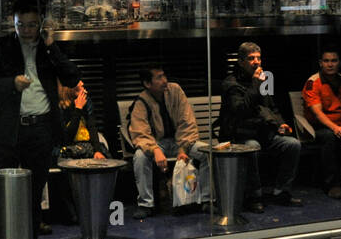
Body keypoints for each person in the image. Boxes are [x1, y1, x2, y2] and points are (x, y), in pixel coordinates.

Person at [0, 0, 79, 239]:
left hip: (40, 129)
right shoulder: (0, 47)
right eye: (21, 25)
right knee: (2, 188)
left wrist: (51, 46)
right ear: (13, 22)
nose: (26, 31)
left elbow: (72, 78)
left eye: (31, 25)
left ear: (40, 24)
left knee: (34, 191)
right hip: (9, 129)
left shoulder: (47, 50)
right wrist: (12, 84)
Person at [218, 42, 302, 210]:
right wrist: (256, 85)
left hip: (263, 132)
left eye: (258, 58)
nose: (256, 62)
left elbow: (271, 107)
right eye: (251, 58)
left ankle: (281, 191)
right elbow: (240, 111)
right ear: (241, 62)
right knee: (252, 147)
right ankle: (253, 196)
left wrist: (280, 123)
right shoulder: (231, 84)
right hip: (241, 135)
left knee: (293, 144)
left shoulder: (264, 80)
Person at [125, 66, 209, 218]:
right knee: (140, 157)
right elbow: (140, 132)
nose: (164, 81)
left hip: (181, 141)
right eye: (159, 78)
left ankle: (207, 199)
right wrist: (155, 149)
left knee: (207, 152)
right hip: (158, 144)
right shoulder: (141, 101)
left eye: (164, 76)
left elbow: (187, 121)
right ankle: (146, 204)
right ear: (147, 83)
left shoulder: (175, 91)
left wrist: (183, 148)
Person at [303, 48, 341, 199]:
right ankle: (333, 184)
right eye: (326, 61)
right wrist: (335, 127)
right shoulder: (313, 82)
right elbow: (317, 114)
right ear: (321, 63)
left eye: (334, 61)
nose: (330, 64)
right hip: (320, 127)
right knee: (330, 137)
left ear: (339, 63)